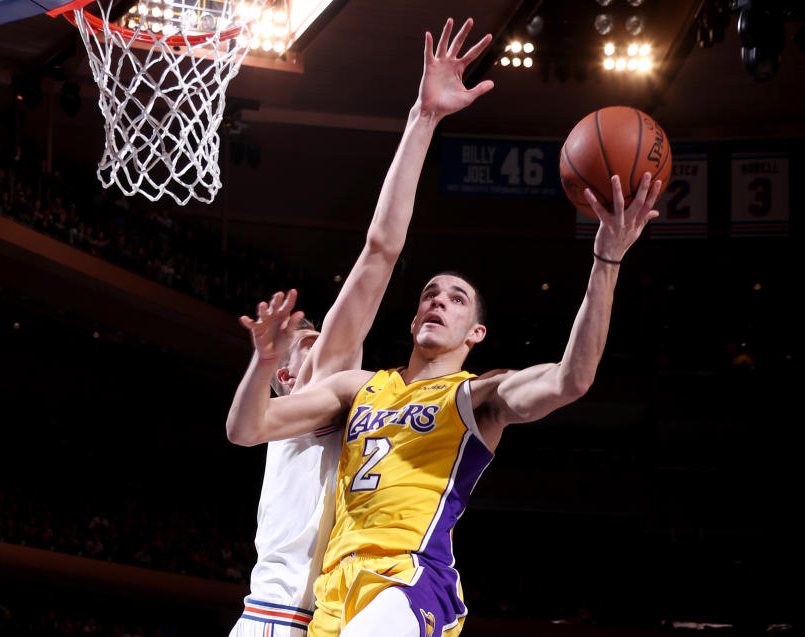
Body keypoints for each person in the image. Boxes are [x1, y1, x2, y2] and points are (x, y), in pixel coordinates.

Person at [226, 181, 662, 633]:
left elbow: (572, 378)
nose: (439, 300)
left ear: (476, 334)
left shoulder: (478, 397)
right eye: (430, 295)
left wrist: (606, 261)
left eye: (457, 300)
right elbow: (247, 429)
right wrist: (265, 363)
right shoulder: (358, 388)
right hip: (336, 587)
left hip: (411, 579)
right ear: (415, 321)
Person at [228, 18, 496, 637]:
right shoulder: (298, 401)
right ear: (286, 371)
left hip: (333, 611)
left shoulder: (345, 389)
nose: (323, 342)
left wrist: (422, 120)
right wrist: (262, 361)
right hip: (276, 614)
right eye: (306, 341)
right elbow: (242, 427)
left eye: (320, 336)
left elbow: (380, 252)